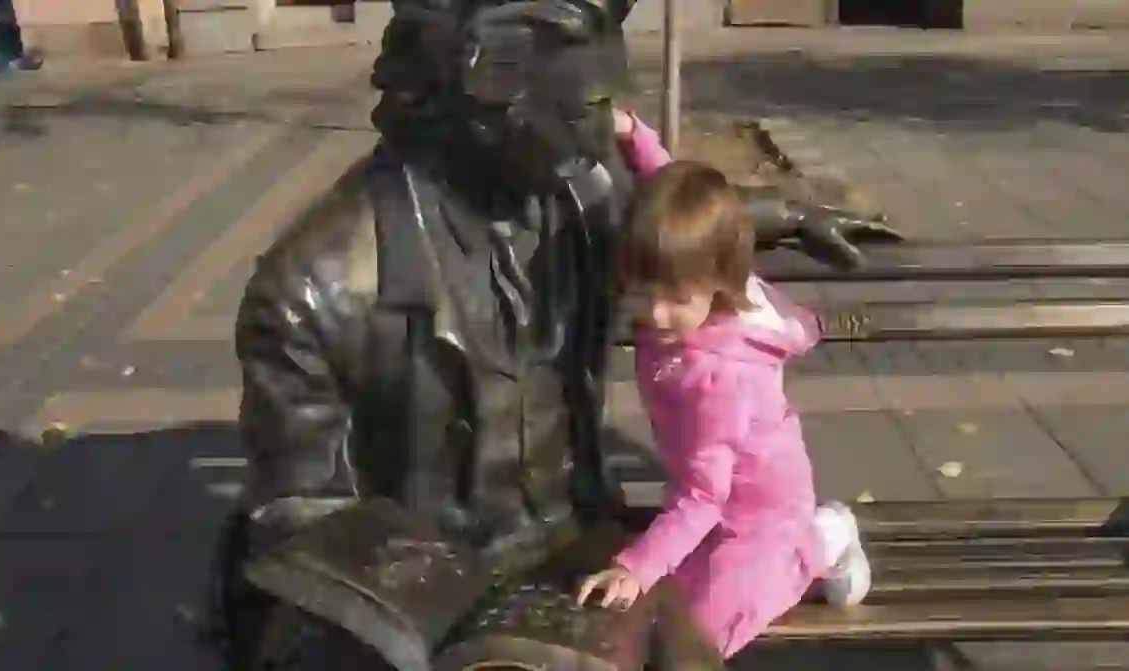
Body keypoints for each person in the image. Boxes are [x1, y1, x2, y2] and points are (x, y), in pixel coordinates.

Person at [216, 0, 897, 667]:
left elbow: (670, 222)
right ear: (484, 109)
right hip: (434, 588)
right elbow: (299, 520)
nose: (605, 137)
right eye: (580, 112)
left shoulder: (574, 193)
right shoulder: (316, 288)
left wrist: (785, 213)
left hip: (581, 544)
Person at [576, 118, 873, 660]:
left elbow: (701, 496)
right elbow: (671, 185)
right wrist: (631, 132)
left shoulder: (721, 379)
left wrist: (635, 565)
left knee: (709, 631)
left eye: (674, 298)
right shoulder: (692, 271)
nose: (656, 314)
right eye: (644, 295)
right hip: (714, 503)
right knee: (663, 610)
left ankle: (824, 538)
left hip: (762, 517)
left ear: (719, 283)